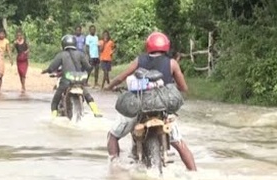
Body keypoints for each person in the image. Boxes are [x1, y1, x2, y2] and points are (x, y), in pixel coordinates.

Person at [104, 32, 197, 171]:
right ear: (166, 46)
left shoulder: (140, 60)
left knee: (113, 135)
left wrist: (109, 87)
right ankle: (194, 174)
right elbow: (183, 87)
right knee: (179, 143)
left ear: (148, 46)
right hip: (162, 110)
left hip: (140, 107)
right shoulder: (172, 63)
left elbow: (120, 78)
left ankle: (114, 169)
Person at [41, 35, 103, 118]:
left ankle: (53, 117)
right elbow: (88, 67)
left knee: (55, 100)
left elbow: (52, 67)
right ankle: (96, 111)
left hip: (66, 81)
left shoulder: (61, 55)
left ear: (63, 44)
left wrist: (46, 71)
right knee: (87, 95)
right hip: (79, 81)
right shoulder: (80, 54)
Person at [0, 29, 13, 95]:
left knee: (0, 75)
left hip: (1, 59)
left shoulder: (6, 41)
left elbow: (8, 50)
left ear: (5, 35)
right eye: (0, 33)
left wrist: (11, 59)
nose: (1, 35)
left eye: (3, 34)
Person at [14, 30, 29, 94]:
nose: (19, 37)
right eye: (18, 36)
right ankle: (22, 85)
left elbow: (28, 48)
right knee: (20, 73)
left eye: (20, 35)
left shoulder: (25, 42)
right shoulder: (16, 43)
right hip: (19, 59)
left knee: (23, 73)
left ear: (22, 36)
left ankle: (23, 86)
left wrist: (26, 52)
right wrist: (15, 44)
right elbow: (12, 50)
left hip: (24, 60)